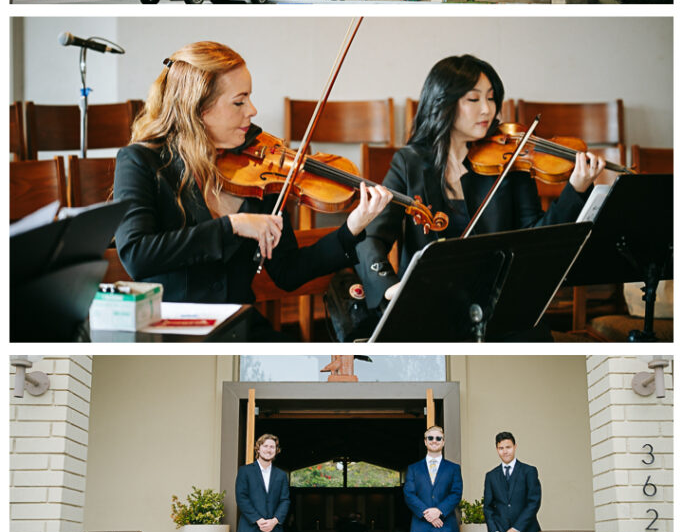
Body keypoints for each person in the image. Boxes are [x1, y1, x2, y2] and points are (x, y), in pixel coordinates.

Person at [113, 42, 392, 303]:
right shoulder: (140, 161)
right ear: (198, 109)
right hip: (173, 332)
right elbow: (137, 256)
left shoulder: (260, 174)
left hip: (240, 327)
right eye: (239, 102)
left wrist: (351, 228)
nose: (253, 110)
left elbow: (288, 272)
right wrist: (232, 226)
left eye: (250, 98)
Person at [355, 54, 605, 328]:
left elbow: (537, 236)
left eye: (491, 98)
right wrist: (389, 286)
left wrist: (576, 190)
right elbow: (372, 236)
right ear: (443, 103)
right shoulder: (410, 163)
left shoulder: (509, 159)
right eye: (473, 100)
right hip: (430, 307)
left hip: (496, 306)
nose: (487, 110)